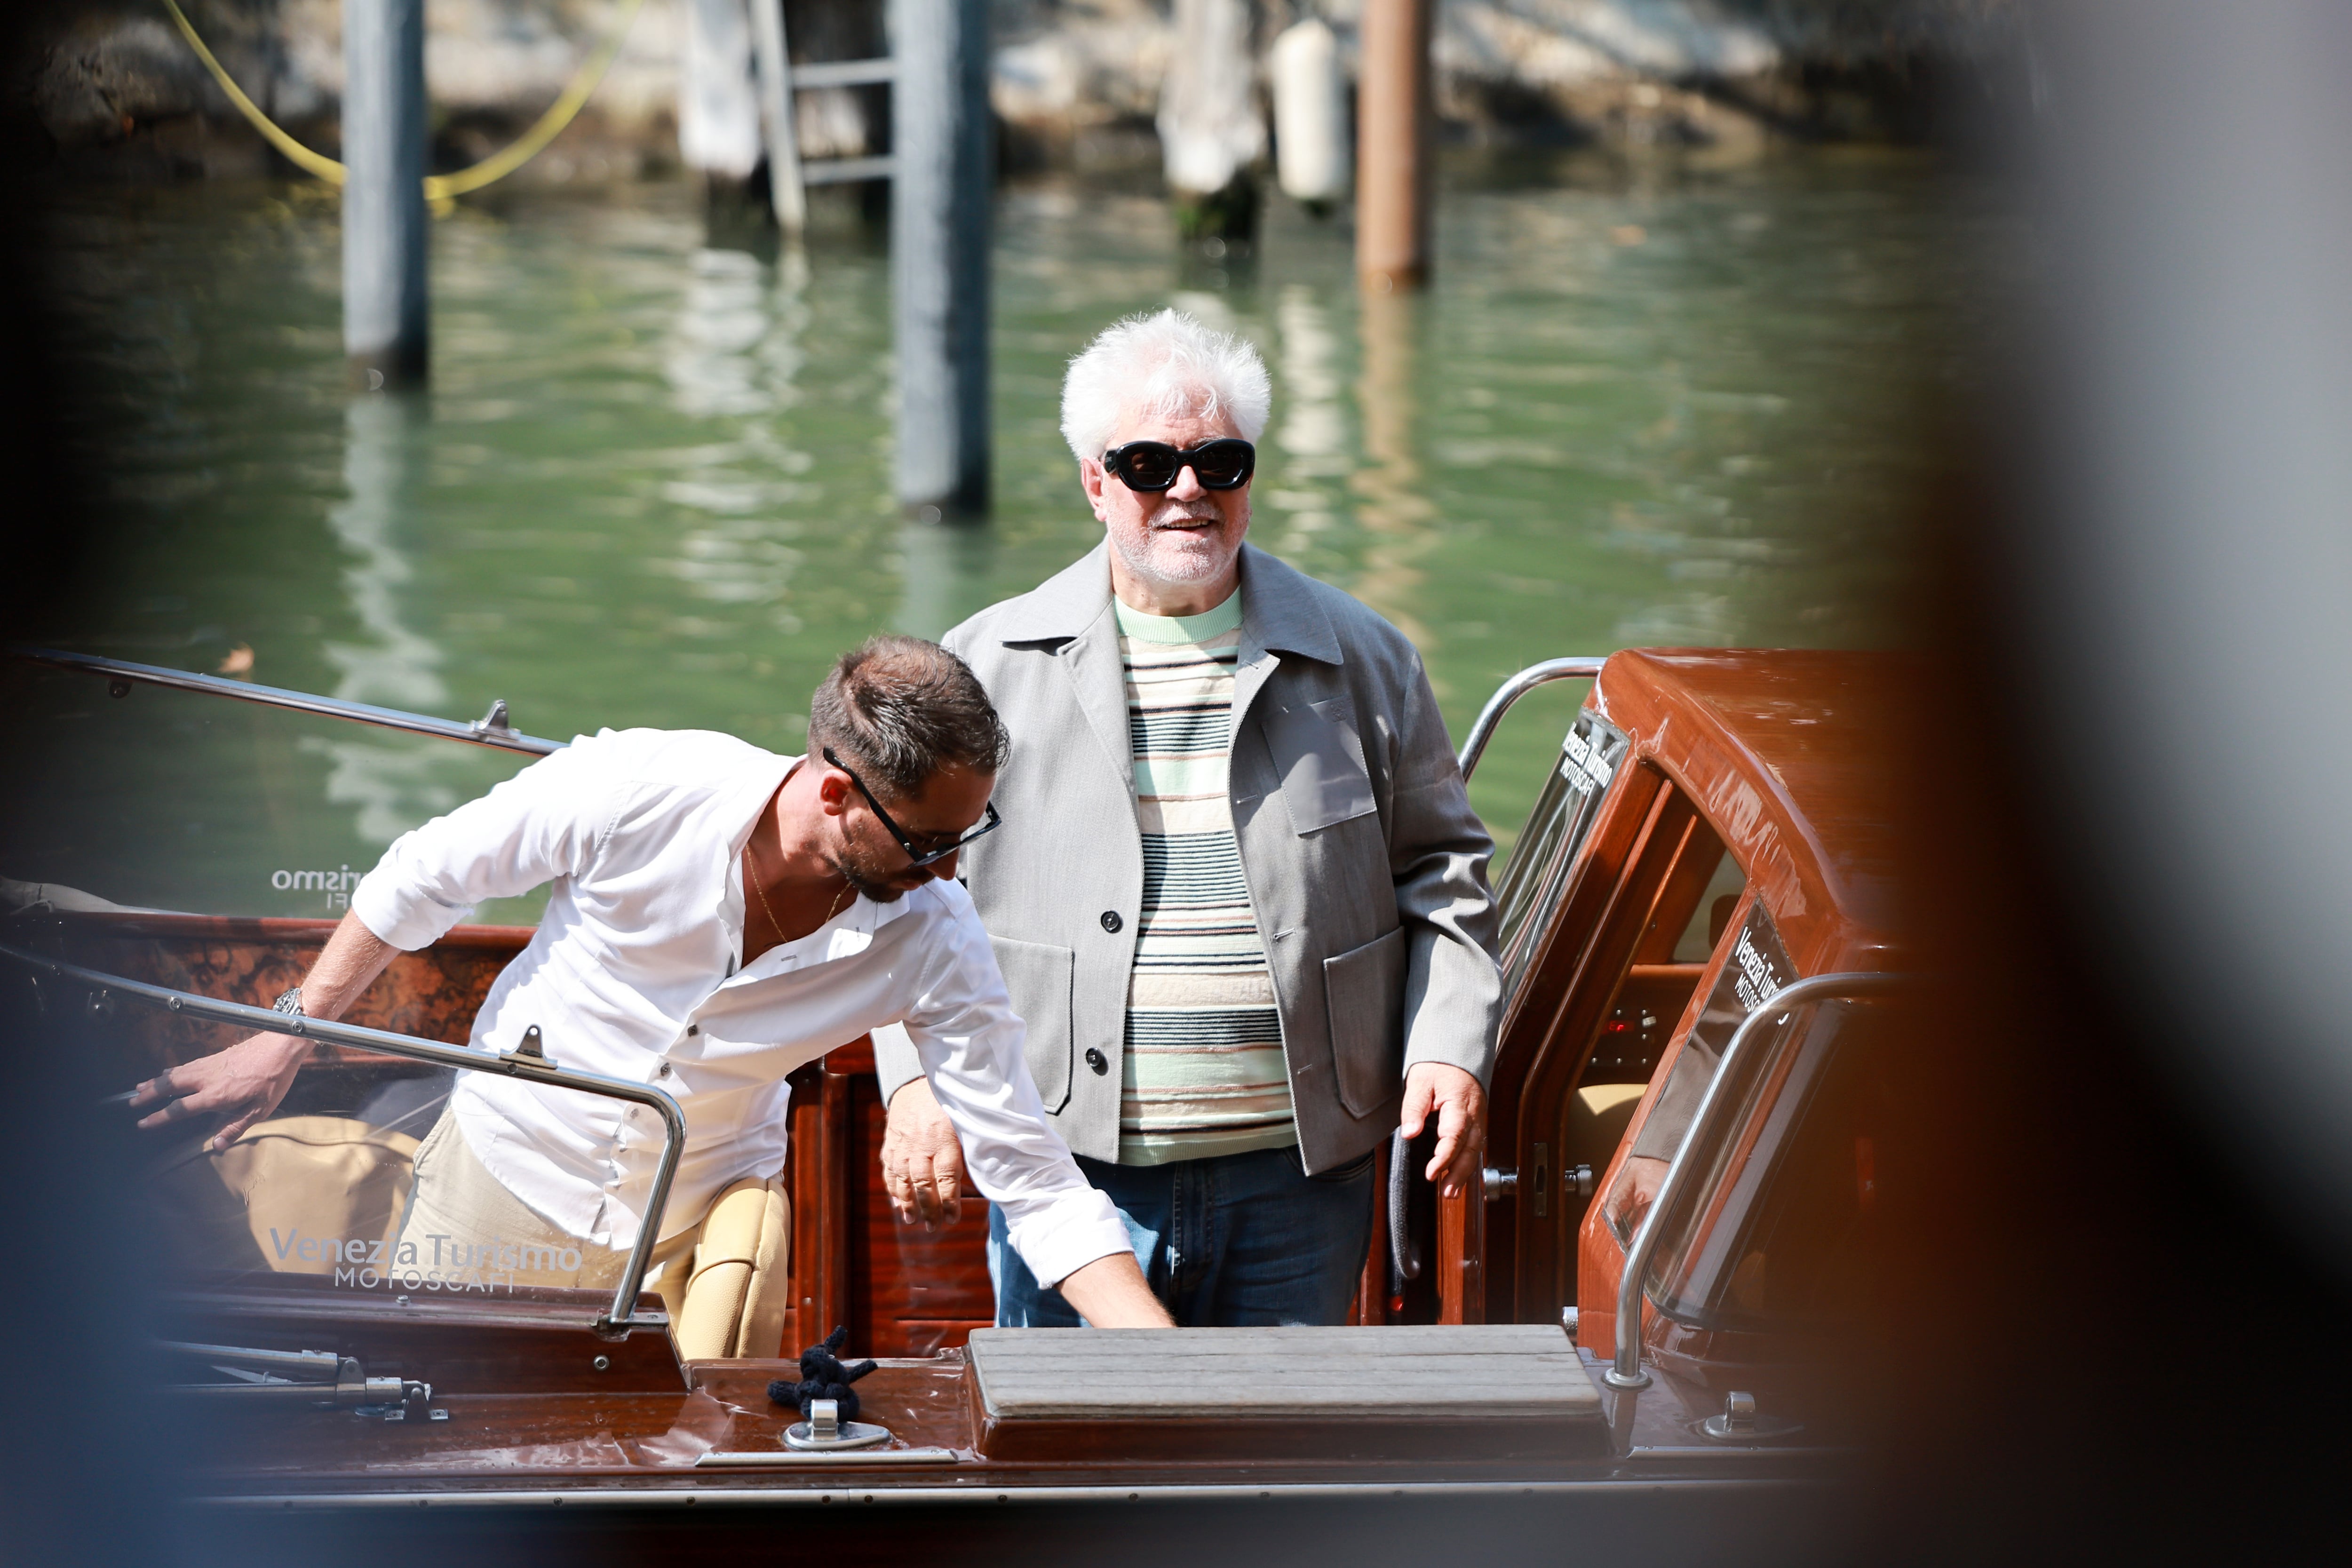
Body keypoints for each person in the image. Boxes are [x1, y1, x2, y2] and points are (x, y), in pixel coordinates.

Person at [127, 637, 1172, 1329]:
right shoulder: (634, 784)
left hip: (705, 1200)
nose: (952, 868)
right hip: (505, 1167)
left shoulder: (936, 932)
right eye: (930, 840)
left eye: (969, 833)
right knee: (430, 1420)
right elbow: (420, 878)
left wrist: (1168, 1366)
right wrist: (284, 1037)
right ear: (837, 790)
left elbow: (1032, 1177)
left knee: (694, 1459)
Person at [874, 309, 1502, 1327]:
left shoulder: (1367, 656)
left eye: (1219, 459)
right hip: (1062, 1175)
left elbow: (1445, 877)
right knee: (1079, 1476)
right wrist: (913, 1083)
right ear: (1094, 481)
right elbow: (900, 888)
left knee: (1265, 1477)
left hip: (1302, 1187)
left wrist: (1447, 1046)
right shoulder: (984, 664)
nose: (1187, 489)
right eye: (1147, 462)